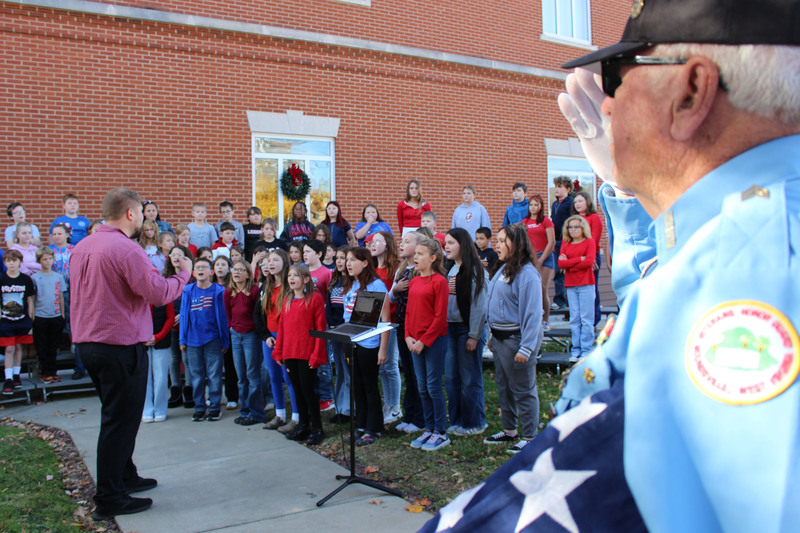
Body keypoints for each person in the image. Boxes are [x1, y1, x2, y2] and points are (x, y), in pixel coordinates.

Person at [426, 2, 800, 530]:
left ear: (691, 92)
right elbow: (665, 287)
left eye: (620, 75)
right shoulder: (741, 234)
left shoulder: (760, 267)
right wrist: (628, 191)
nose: (605, 105)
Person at [70, 187, 192, 520]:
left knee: (117, 416)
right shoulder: (126, 248)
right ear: (131, 214)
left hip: (89, 344)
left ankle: (125, 475)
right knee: (119, 421)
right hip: (119, 346)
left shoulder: (82, 246)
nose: (141, 218)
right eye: (140, 212)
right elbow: (157, 293)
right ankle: (110, 496)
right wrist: (185, 273)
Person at [482, 224, 542, 454]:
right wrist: (491, 335)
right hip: (499, 340)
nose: (496, 245)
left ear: (515, 244)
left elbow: (533, 314)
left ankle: (530, 436)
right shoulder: (504, 268)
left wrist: (526, 347)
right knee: (504, 387)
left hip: (516, 340)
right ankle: (509, 431)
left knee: (523, 389)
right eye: (496, 240)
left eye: (500, 241)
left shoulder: (527, 274)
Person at [272, 264, 328, 445]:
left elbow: (320, 329)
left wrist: (316, 355)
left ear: (306, 279)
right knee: (297, 390)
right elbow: (282, 329)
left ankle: (317, 428)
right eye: (290, 275)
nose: (292, 278)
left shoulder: (314, 299)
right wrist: (279, 351)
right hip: (290, 353)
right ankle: (303, 425)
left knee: (308, 391)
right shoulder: (287, 300)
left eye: (296, 275)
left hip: (307, 353)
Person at [342, 247, 391, 446]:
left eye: (352, 260)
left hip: (369, 344)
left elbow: (386, 319)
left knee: (369, 386)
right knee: (357, 386)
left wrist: (383, 348)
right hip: (350, 342)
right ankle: (360, 425)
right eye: (346, 260)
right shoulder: (351, 284)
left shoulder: (376, 285)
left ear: (364, 263)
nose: (347, 263)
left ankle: (374, 428)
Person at [406, 238, 450, 451]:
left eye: (421, 254)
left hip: (433, 341)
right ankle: (429, 427)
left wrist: (424, 341)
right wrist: (408, 336)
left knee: (433, 386)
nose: (416, 257)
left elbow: (440, 317)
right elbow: (409, 312)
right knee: (422, 386)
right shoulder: (414, 281)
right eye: (416, 253)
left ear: (433, 258)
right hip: (414, 342)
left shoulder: (439, 281)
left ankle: (441, 431)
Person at [443, 228, 487, 436]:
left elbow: (479, 304)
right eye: (446, 243)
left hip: (467, 329)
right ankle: (457, 420)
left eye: (451, 243)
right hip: (449, 328)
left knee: (470, 378)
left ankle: (475, 422)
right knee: (452, 378)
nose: (447, 246)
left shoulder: (476, 270)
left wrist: (474, 334)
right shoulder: (448, 268)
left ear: (463, 244)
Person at [253, 249, 301, 434]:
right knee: (273, 376)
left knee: (289, 378)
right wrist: (266, 336)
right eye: (267, 261)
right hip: (271, 339)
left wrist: (283, 338)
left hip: (287, 338)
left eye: (274, 260)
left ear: (284, 262)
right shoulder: (265, 286)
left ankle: (296, 417)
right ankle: (280, 414)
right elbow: (258, 314)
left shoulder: (291, 285)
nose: (270, 264)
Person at [179, 257, 229, 422]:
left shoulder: (218, 290)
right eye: (197, 267)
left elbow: (222, 318)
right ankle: (199, 407)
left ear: (211, 272)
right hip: (193, 341)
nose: (200, 270)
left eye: (204, 267)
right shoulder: (188, 290)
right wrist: (182, 339)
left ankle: (214, 408)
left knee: (214, 376)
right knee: (197, 377)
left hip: (213, 339)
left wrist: (224, 340)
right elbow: (184, 316)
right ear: (193, 273)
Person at [388, 231, 425, 433]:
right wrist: (396, 289)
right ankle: (409, 414)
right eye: (401, 241)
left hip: (416, 329)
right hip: (401, 326)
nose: (401, 244)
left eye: (407, 242)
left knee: (417, 373)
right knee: (409, 374)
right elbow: (391, 298)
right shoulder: (402, 269)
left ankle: (420, 418)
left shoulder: (420, 270)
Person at [225, 260, 264, 426]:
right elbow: (228, 314)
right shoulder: (228, 293)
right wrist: (231, 329)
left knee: (252, 374)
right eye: (235, 270)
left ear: (248, 274)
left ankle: (257, 413)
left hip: (251, 335)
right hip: (235, 335)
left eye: (241, 270)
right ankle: (245, 410)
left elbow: (258, 313)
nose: (237, 273)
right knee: (241, 376)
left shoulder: (254, 291)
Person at [370, 231, 402, 425]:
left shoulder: (395, 269)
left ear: (388, 245)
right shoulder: (372, 268)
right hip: (373, 322)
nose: (372, 245)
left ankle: (395, 406)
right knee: (382, 367)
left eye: (377, 242)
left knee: (390, 365)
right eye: (371, 242)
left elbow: (391, 296)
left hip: (389, 322)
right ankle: (388, 404)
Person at [558, 215, 596, 361]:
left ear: (583, 228)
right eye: (570, 227)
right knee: (574, 318)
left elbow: (589, 262)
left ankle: (587, 349)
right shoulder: (566, 243)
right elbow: (561, 265)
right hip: (571, 285)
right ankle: (576, 349)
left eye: (576, 227)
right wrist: (578, 260)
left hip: (586, 283)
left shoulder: (589, 242)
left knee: (586, 318)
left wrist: (570, 264)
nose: (573, 230)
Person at [1, 250, 35, 395]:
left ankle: (17, 375)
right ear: (5, 263)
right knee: (9, 349)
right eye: (8, 261)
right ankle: (8, 379)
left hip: (22, 319)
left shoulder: (26, 279)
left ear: (20, 262)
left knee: (19, 347)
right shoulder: (2, 279)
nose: (11, 263)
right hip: (6, 320)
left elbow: (30, 299)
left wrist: (31, 317)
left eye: (14, 261)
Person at [141, 283, 175, 423]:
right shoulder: (137, 295)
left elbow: (170, 318)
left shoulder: (165, 295)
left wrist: (158, 337)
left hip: (161, 342)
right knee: (144, 378)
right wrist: (143, 337)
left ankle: (160, 409)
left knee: (161, 377)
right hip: (141, 342)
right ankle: (146, 410)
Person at [522, 193, 556, 331]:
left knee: (542, 289)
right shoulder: (524, 222)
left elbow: (551, 241)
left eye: (536, 204)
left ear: (541, 206)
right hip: (530, 258)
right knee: (531, 290)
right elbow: (522, 241)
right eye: (531, 204)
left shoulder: (546, 221)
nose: (533, 207)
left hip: (545, 257)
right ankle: (533, 320)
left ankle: (545, 320)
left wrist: (541, 259)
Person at [31, 247, 66, 383]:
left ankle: (53, 371)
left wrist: (62, 314)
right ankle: (45, 372)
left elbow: (61, 296)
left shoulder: (58, 276)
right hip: (41, 316)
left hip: (55, 316)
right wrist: (33, 315)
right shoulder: (35, 277)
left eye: (50, 258)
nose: (47, 261)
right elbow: (33, 298)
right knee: (42, 346)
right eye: (44, 259)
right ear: (39, 261)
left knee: (53, 346)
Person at [325, 246, 350, 422]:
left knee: (348, 371)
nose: (340, 262)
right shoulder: (334, 281)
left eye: (344, 258)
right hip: (335, 331)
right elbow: (329, 307)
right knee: (340, 371)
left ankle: (348, 409)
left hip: (348, 332)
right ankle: (341, 408)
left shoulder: (353, 282)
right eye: (338, 258)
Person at [572, 190, 604, 324]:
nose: (577, 204)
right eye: (575, 202)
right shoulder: (574, 219)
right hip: (575, 258)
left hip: (591, 257)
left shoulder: (594, 218)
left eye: (580, 201)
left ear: (587, 201)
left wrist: (587, 256)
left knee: (591, 289)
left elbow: (595, 239)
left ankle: (594, 320)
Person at [550, 176, 574, 309]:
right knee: (558, 272)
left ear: (568, 189)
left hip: (567, 241)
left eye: (560, 187)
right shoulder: (555, 204)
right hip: (557, 242)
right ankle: (559, 300)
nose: (557, 189)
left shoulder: (570, 203)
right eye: (556, 187)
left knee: (567, 270)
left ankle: (570, 302)